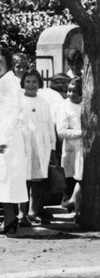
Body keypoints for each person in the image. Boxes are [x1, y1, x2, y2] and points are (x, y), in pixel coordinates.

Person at [0, 46, 28, 236]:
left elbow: (12, 112)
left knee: (6, 178)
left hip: (6, 139)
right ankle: (9, 218)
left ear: (7, 63)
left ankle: (10, 219)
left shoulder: (12, 82)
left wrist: (3, 139)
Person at [19, 69, 54, 226]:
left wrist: (52, 146)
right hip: (23, 143)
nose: (31, 84)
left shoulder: (43, 102)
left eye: (34, 81)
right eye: (28, 81)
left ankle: (33, 212)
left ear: (39, 83)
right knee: (23, 179)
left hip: (41, 144)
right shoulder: (18, 101)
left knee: (37, 180)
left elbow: (50, 125)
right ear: (23, 83)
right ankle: (22, 213)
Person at [57, 76, 84, 221]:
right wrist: (82, 133)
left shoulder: (87, 103)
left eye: (75, 91)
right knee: (75, 177)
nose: (71, 94)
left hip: (86, 147)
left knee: (84, 177)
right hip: (72, 147)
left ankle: (77, 207)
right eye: (69, 91)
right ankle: (75, 208)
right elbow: (61, 131)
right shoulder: (64, 106)